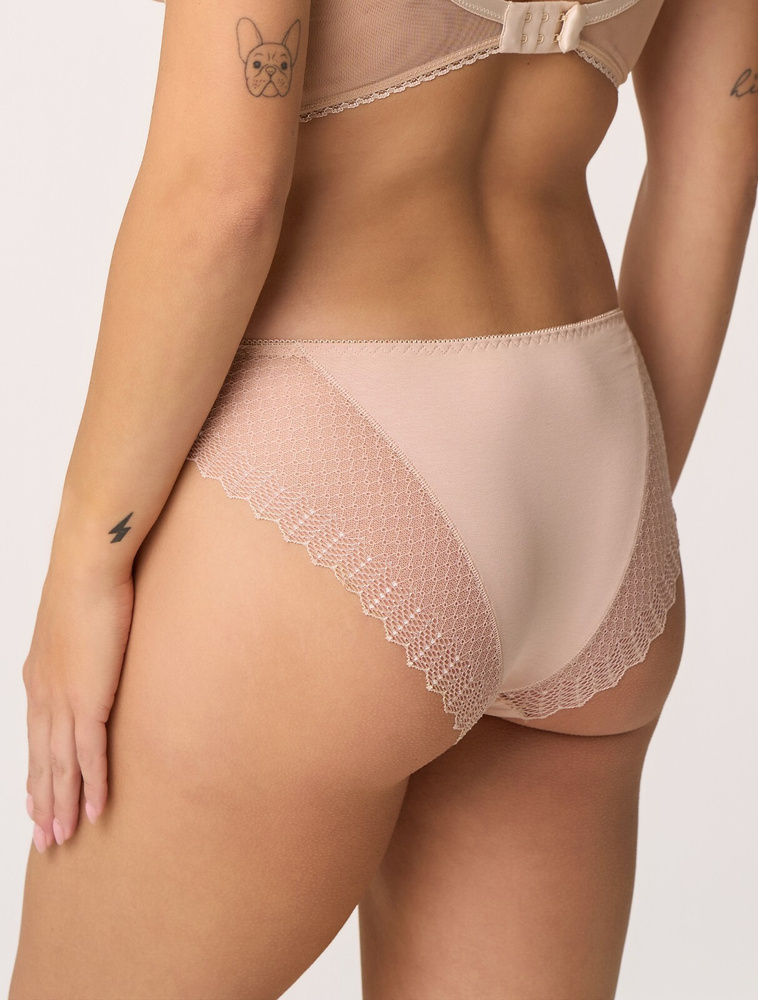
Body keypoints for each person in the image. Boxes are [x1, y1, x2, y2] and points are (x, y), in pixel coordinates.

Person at [9, 0, 757, 997]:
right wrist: (627, 512)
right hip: (593, 471)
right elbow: (718, 154)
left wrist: (87, 555)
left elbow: (222, 197)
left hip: (329, 471)